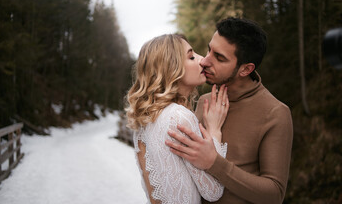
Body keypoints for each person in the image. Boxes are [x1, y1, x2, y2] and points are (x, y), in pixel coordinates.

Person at [165, 17, 293, 204]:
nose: (205, 61)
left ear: (245, 69)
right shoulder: (203, 101)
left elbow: (274, 194)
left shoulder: (275, 113)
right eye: (209, 50)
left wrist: (214, 163)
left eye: (219, 57)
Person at [125, 34, 230, 204]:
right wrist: (214, 131)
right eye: (191, 57)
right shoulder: (179, 117)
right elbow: (213, 191)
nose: (202, 60)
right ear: (171, 69)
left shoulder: (145, 121)